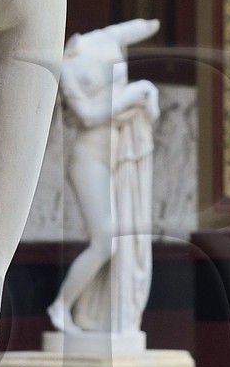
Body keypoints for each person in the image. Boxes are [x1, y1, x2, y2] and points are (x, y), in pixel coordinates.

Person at [47, 18, 161, 340]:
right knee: (106, 241)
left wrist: (155, 22)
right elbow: (87, 117)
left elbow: (141, 26)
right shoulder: (66, 68)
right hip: (89, 160)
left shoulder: (103, 38)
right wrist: (137, 92)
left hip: (114, 158)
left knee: (115, 239)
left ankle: (85, 311)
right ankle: (60, 306)